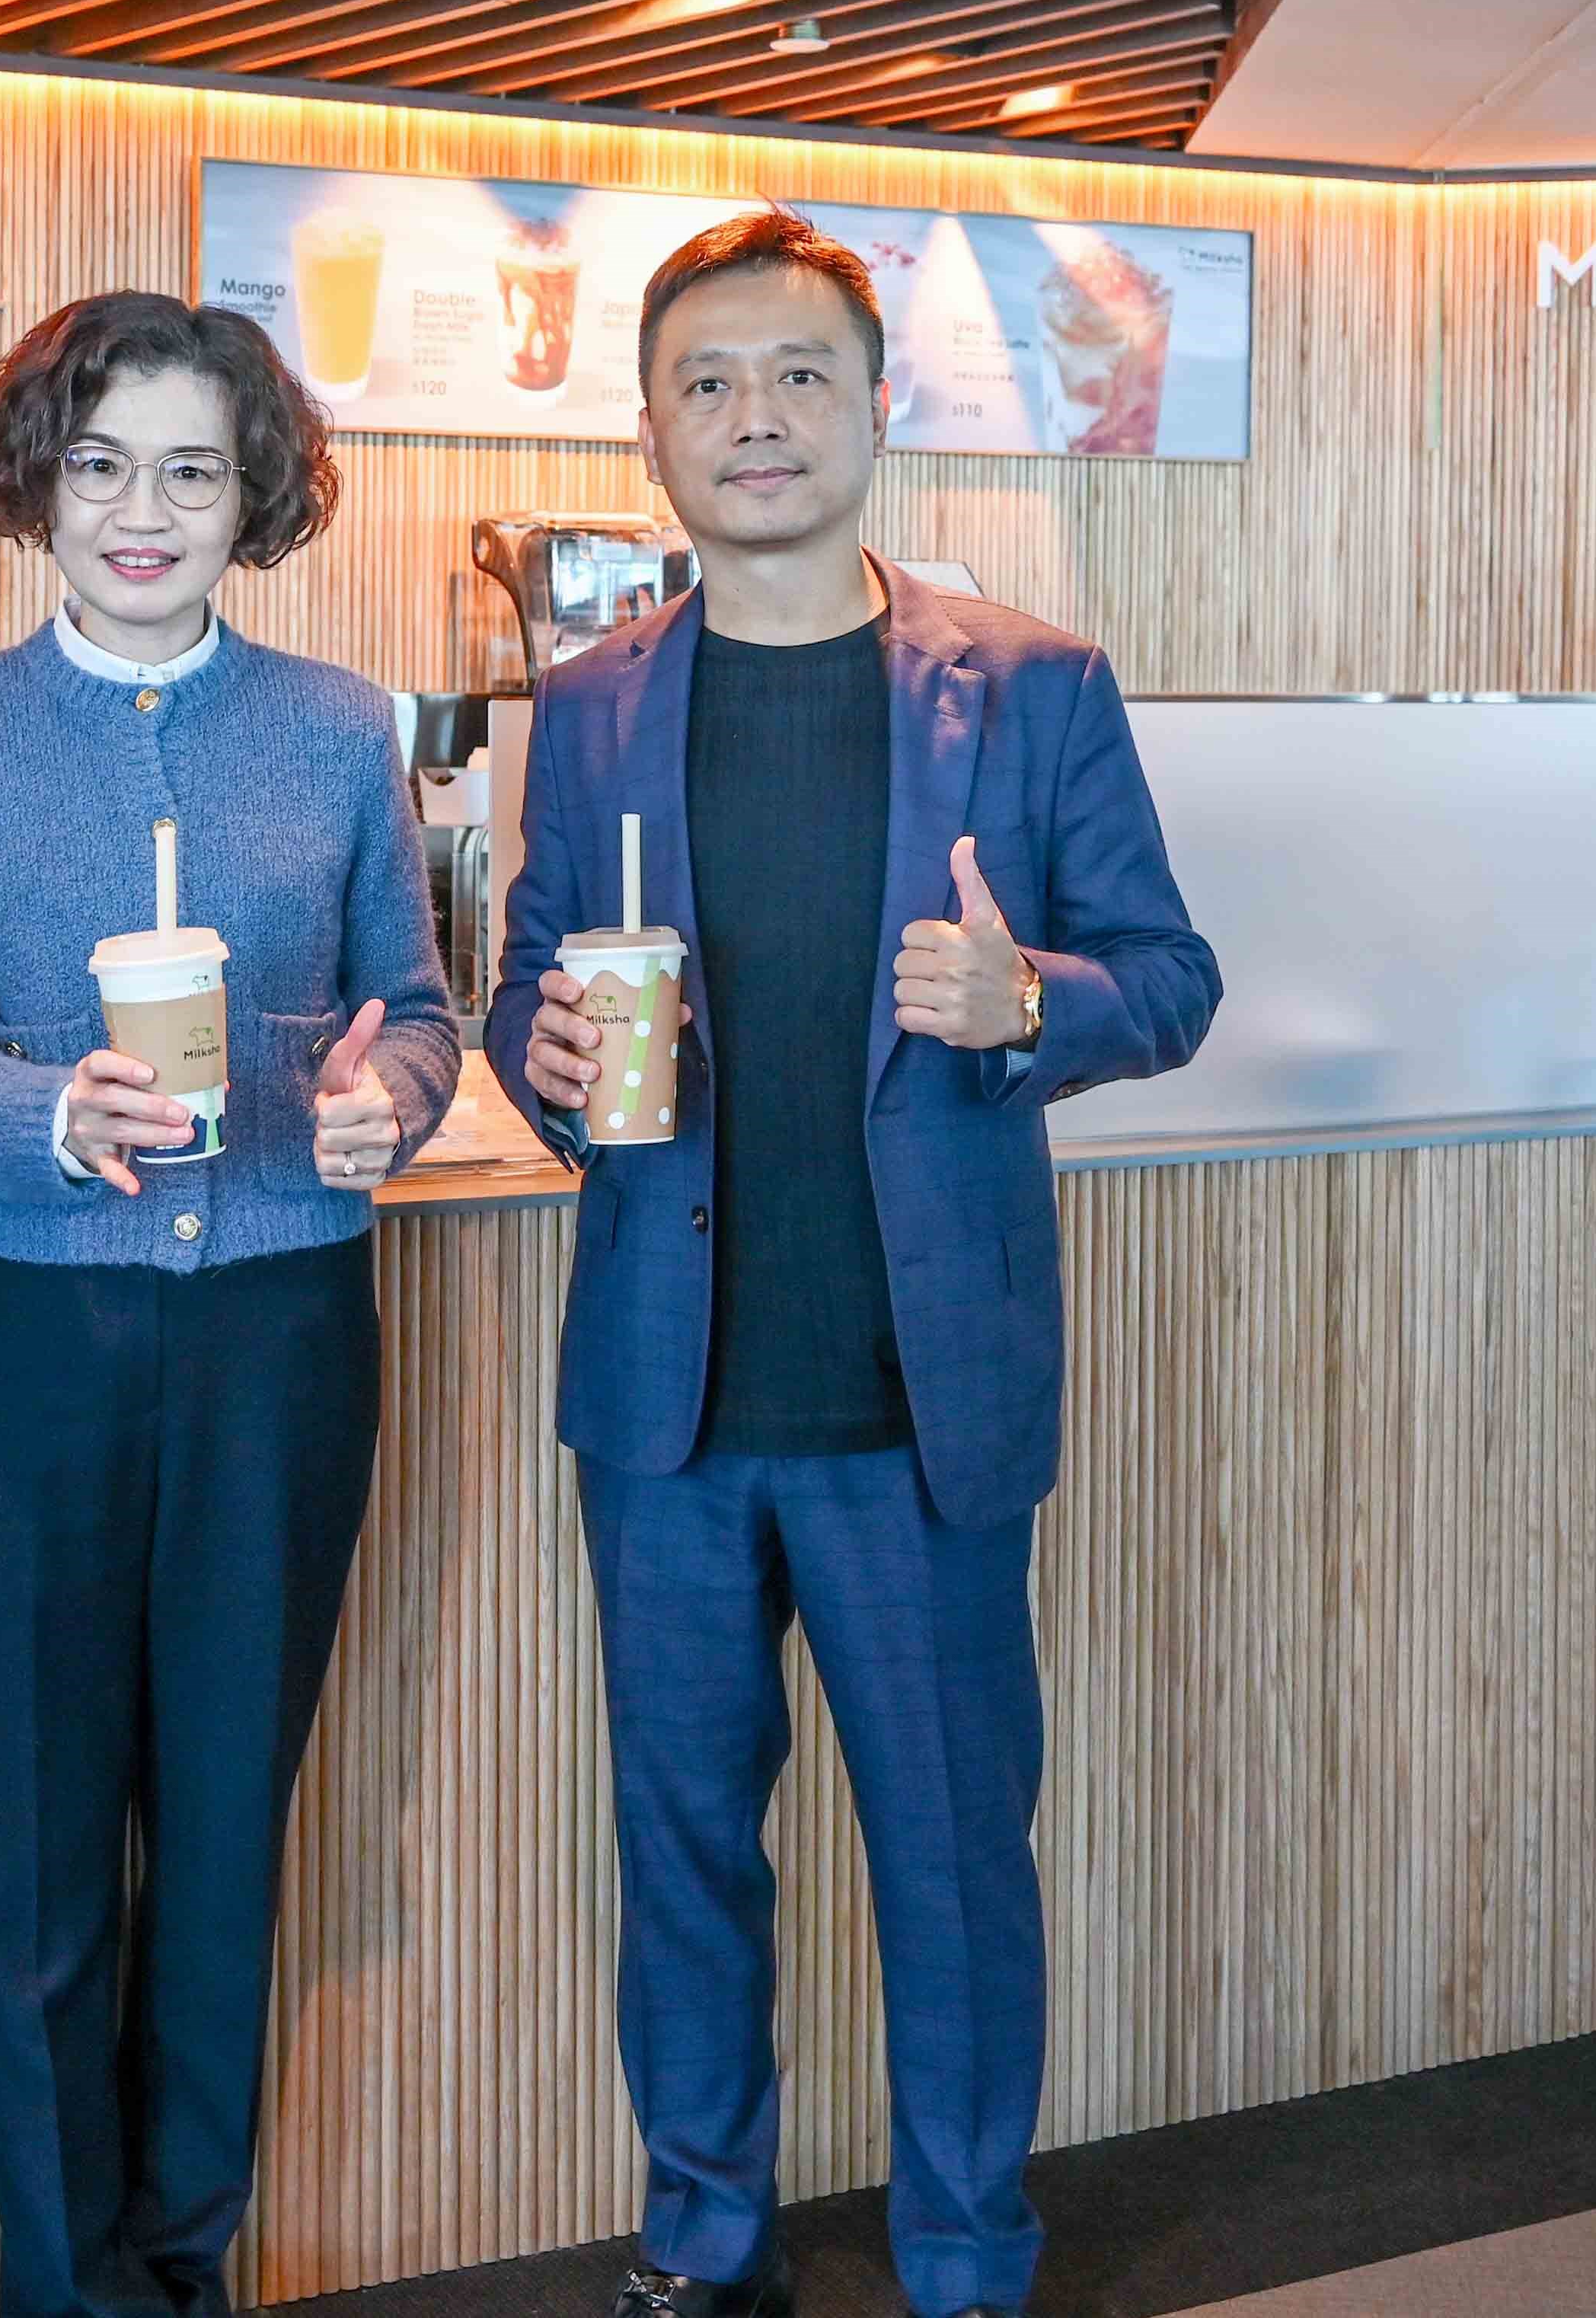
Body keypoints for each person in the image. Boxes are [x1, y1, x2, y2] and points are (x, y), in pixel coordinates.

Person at [482, 210, 1219, 2318]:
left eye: (798, 374)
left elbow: (1169, 978)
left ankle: (970, 2259)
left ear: (877, 408)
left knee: (954, 1869)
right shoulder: (594, 707)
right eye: (707, 383)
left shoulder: (1033, 689)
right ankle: (703, 2242)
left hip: (922, 1411)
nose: (755, 417)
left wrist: (1034, 1003)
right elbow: (546, 996)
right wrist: (551, 1068)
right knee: (687, 1863)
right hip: (669, 1406)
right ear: (651, 439)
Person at [0, 289, 463, 2318]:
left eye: (192, 469)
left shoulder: (335, 728)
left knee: (222, 1842)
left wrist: (386, 1099)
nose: (143, 511)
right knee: (35, 1869)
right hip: (31, 1348)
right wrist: (50, 1111)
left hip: (280, 1342)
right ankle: (69, 2290)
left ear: (255, 495)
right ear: (40, 477)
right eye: (104, 463)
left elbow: (423, 1016)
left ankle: (184, 2270)